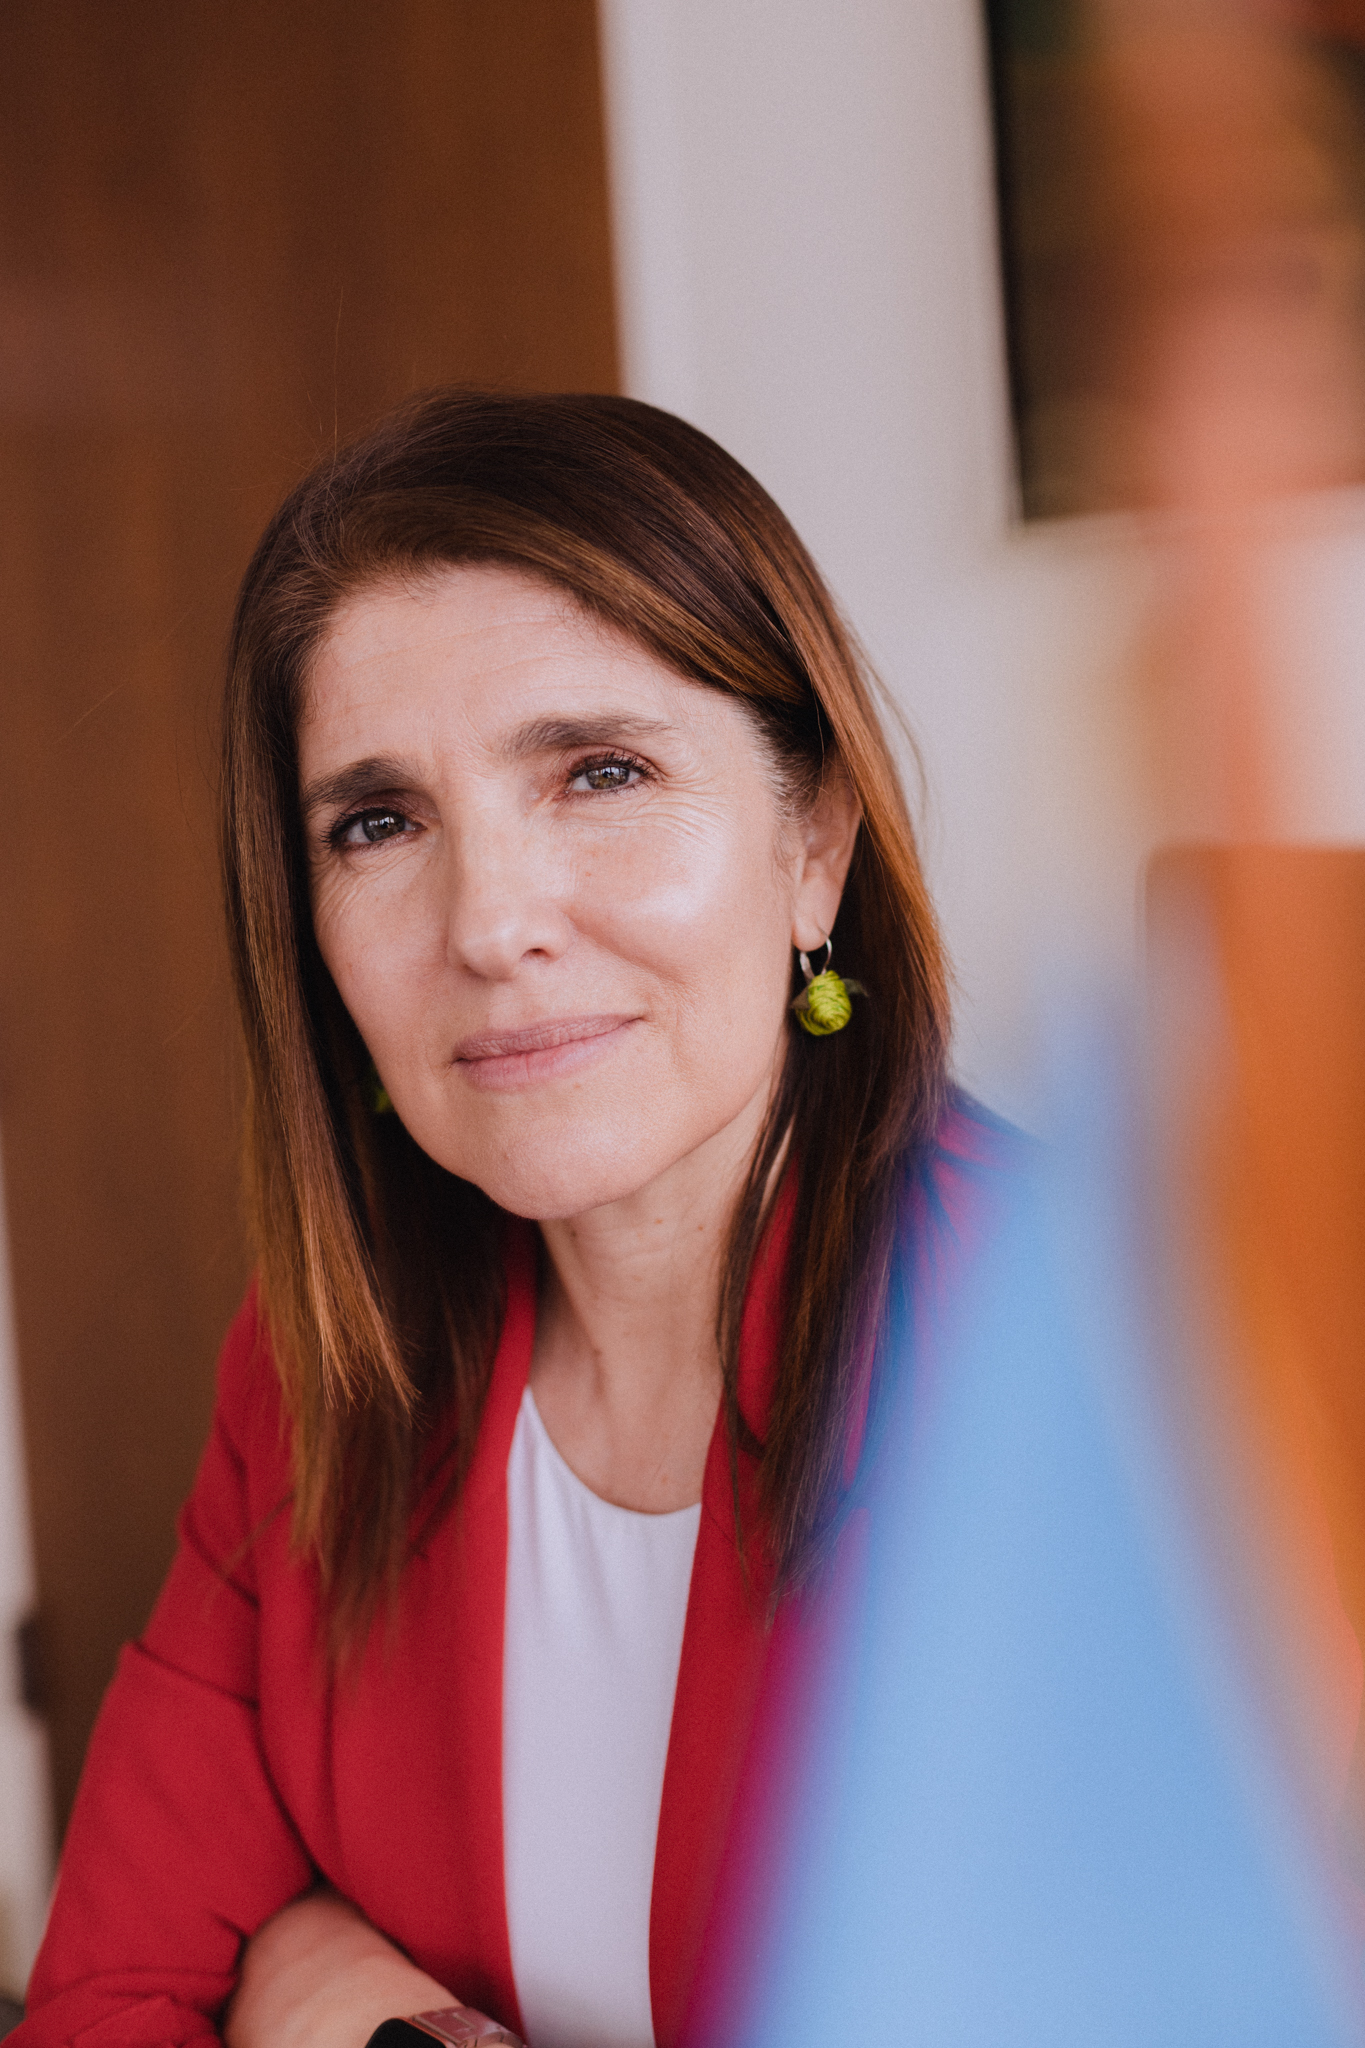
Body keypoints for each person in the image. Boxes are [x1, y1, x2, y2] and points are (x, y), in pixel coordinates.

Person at [15, 391, 1014, 2048]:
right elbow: (105, 2006)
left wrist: (319, 1999)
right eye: (378, 822)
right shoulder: (320, 1364)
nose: (487, 924)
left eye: (600, 772)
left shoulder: (1089, 1367)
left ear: (813, 847)